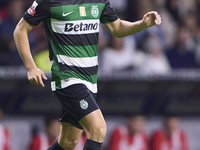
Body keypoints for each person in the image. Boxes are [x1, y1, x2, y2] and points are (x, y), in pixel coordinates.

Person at [13, 0, 161, 149]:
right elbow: (20, 30)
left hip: (90, 81)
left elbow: (117, 28)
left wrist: (142, 24)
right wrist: (31, 67)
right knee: (98, 130)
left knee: (68, 142)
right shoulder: (49, 2)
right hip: (67, 78)